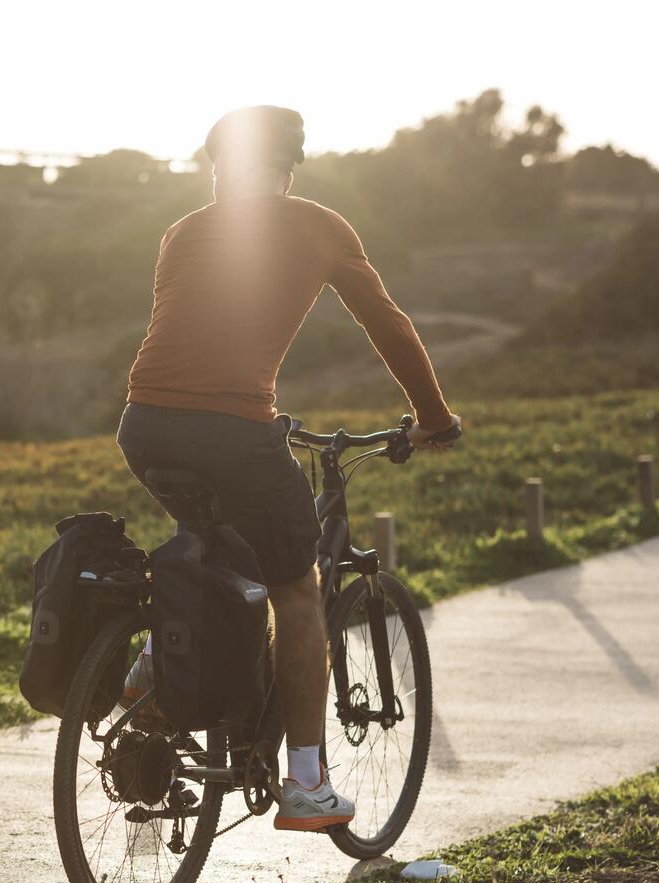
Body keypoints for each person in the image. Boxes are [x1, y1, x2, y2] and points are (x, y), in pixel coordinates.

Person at [116, 106, 461, 832]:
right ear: (288, 169)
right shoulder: (320, 226)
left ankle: (151, 660)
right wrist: (432, 418)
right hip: (234, 431)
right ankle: (305, 783)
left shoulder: (181, 233)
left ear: (227, 169)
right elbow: (387, 324)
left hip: (144, 424)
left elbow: (190, 338)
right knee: (297, 590)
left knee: (211, 541)